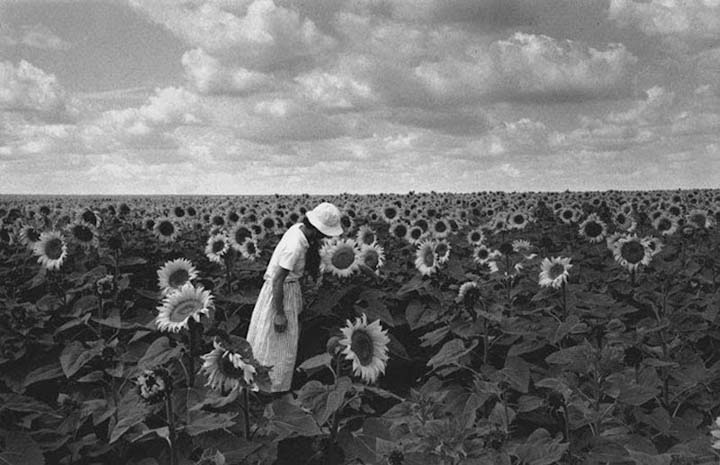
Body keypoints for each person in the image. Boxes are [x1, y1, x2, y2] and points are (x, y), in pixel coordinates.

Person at [246, 202, 344, 393]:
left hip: (286, 290)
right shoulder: (295, 246)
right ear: (317, 230)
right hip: (280, 293)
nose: (325, 237)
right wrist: (279, 313)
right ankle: (270, 389)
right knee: (278, 343)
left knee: (268, 340)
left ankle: (262, 386)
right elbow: (277, 280)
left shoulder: (298, 229)